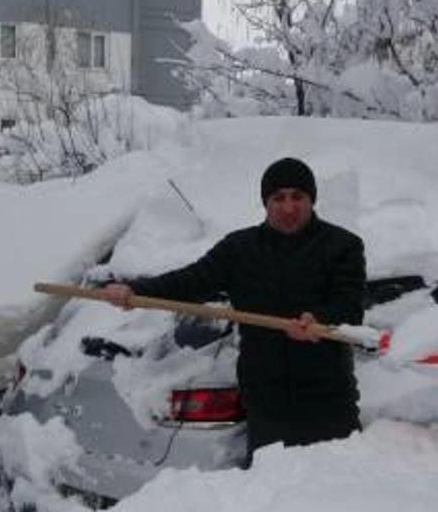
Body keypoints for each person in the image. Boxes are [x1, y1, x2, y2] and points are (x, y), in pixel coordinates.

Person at [101, 157, 366, 462]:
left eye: (298, 196)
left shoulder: (342, 247)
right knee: (272, 496)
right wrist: (136, 291)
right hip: (267, 404)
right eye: (278, 198)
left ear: (312, 199)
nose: (289, 207)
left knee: (335, 498)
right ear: (265, 202)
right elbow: (191, 281)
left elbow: (349, 308)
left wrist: (319, 321)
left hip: (328, 401)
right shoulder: (240, 249)